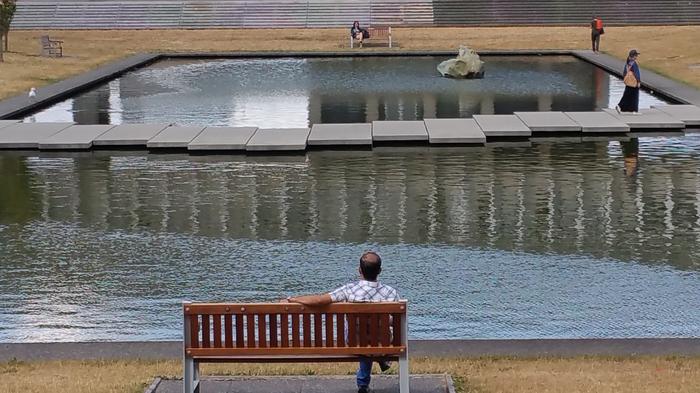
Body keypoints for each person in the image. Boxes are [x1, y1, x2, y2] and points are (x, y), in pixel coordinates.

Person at [286, 251, 400, 393]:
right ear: (380, 271)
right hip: (383, 344)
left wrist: (295, 299)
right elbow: (395, 323)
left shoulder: (349, 290)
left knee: (363, 339)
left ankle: (363, 384)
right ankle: (378, 363)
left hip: (354, 342)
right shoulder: (391, 293)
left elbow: (321, 300)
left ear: (359, 270)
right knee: (373, 338)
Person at [616, 49, 642, 114]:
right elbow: (636, 73)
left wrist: (625, 79)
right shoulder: (634, 63)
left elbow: (624, 72)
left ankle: (620, 106)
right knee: (635, 96)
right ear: (633, 56)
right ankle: (634, 110)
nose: (637, 57)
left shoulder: (628, 63)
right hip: (634, 82)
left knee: (626, 95)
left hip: (628, 82)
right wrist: (638, 81)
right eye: (636, 55)